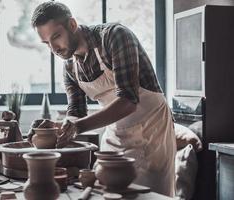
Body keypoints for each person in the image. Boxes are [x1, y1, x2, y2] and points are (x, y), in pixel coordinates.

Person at [30, 1, 176, 196]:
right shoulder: (69, 67)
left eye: (56, 36)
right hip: (115, 134)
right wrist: (61, 127)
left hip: (151, 131)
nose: (53, 48)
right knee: (106, 192)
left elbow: (128, 101)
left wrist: (78, 127)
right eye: (46, 43)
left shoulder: (114, 37)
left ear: (72, 25)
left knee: (147, 196)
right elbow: (76, 112)